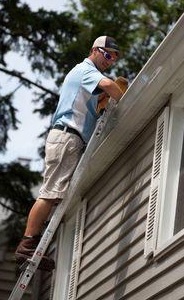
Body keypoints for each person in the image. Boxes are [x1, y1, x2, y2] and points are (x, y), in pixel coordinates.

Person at [15, 36, 125, 270]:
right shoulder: (85, 70)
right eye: (107, 55)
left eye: (113, 58)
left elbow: (98, 102)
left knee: (54, 194)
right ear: (94, 50)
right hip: (67, 137)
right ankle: (26, 247)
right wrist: (123, 99)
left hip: (69, 138)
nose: (109, 61)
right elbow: (109, 86)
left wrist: (105, 102)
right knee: (49, 192)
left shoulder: (88, 81)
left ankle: (32, 244)